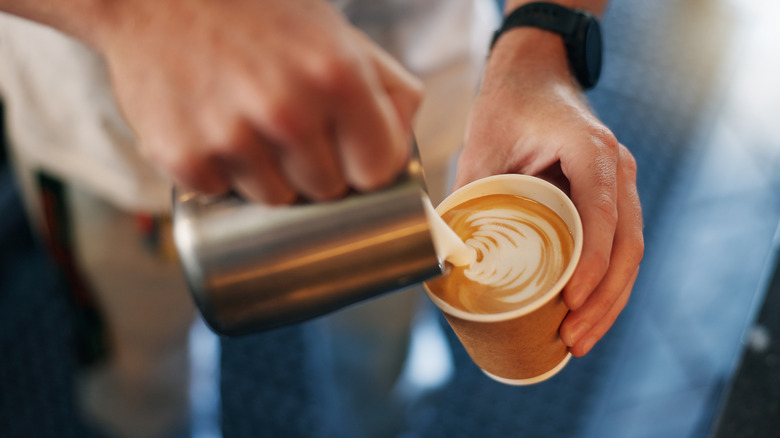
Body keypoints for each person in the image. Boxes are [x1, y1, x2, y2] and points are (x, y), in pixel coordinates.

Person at [0, 0, 643, 437]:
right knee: (142, 388)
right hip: (109, 136)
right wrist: (135, 16)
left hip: (425, 102)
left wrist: (542, 38)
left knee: (384, 353)